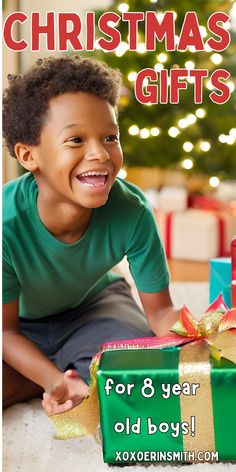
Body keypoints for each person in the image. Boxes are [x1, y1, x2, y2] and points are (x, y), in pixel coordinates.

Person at [2, 55, 179, 417]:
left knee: (133, 373)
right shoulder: (6, 225)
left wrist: (197, 334)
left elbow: (160, 311)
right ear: (28, 155)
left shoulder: (132, 211)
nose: (99, 153)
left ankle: (71, 369)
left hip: (94, 305)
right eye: (76, 139)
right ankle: (54, 375)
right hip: (17, 324)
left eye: (110, 137)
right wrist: (55, 381)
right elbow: (6, 333)